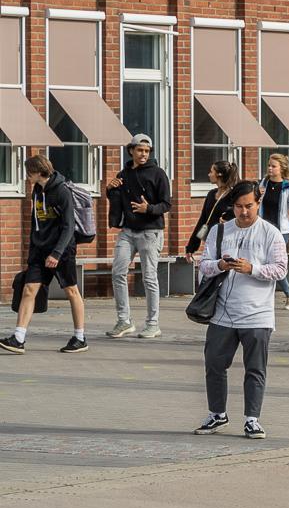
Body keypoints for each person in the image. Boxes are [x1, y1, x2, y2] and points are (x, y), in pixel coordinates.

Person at [193, 180, 286, 440]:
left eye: (249, 206)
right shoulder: (219, 231)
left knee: (255, 368)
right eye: (238, 206)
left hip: (257, 314)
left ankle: (252, 419)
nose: (244, 212)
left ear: (258, 203)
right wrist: (220, 265)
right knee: (214, 364)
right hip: (222, 311)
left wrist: (252, 269)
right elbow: (204, 264)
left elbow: (281, 269)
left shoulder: (270, 233)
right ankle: (217, 414)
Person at [3, 155, 88, 353]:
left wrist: (56, 253)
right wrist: (33, 251)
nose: (27, 176)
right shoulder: (36, 190)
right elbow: (36, 223)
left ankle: (80, 338)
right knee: (28, 289)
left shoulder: (62, 191)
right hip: (40, 250)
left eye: (29, 172)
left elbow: (69, 227)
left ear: (39, 172)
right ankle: (18, 338)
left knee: (71, 291)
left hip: (62, 251)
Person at [104, 133, 172, 339]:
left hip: (150, 232)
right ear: (131, 150)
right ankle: (124, 321)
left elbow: (166, 204)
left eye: (147, 151)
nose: (143, 154)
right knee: (118, 272)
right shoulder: (124, 173)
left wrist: (148, 208)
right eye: (140, 150)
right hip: (127, 231)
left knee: (149, 278)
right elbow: (116, 198)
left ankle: (153, 324)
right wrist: (109, 189)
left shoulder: (158, 174)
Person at [260, 153, 289, 308]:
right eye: (269, 165)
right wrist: (257, 195)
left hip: (281, 232)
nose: (270, 169)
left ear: (282, 168)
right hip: (263, 229)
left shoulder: (288, 189)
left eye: (273, 166)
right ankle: (283, 294)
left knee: (273, 262)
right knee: (263, 261)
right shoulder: (263, 184)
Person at [183, 160, 239, 260]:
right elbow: (203, 221)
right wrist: (191, 247)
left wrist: (229, 218)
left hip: (229, 244)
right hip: (211, 243)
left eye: (211, 171)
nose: (209, 174)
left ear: (219, 174)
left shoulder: (233, 195)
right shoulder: (211, 194)